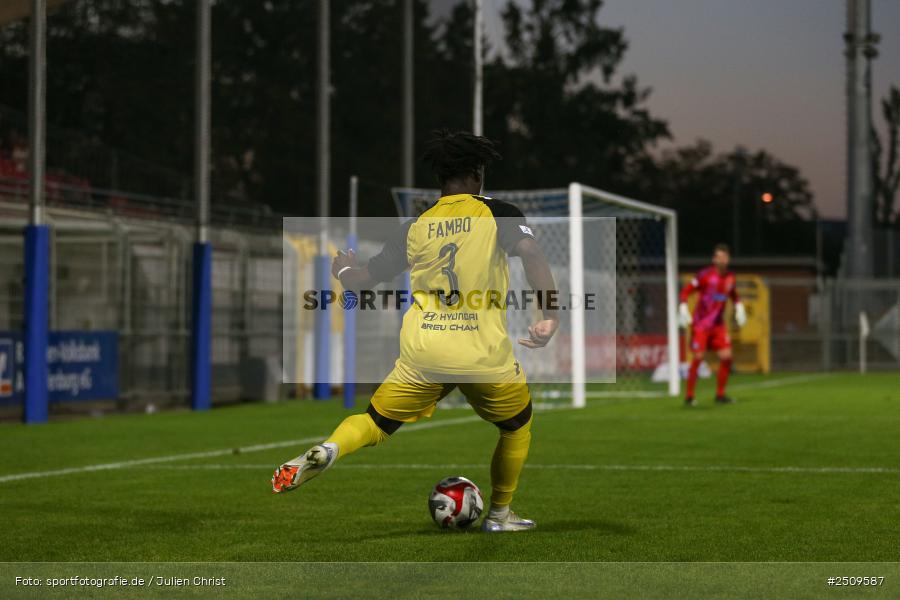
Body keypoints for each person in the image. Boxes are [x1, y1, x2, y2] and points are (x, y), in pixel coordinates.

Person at [271, 130, 559, 533]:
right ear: (478, 174)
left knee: (374, 422)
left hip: (424, 354)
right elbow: (530, 252)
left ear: (440, 178)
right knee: (517, 426)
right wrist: (550, 313)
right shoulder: (498, 213)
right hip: (482, 355)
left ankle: (330, 447)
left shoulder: (416, 226)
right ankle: (498, 514)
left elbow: (362, 279)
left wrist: (341, 269)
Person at [678, 243, 747, 406]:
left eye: (725, 257)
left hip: (718, 325)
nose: (722, 260)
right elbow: (686, 290)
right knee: (698, 357)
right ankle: (689, 396)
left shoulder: (730, 277)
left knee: (727, 357)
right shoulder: (705, 275)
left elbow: (734, 294)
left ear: (728, 259)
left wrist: (739, 306)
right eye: (719, 257)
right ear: (714, 259)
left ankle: (720, 395)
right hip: (701, 325)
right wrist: (682, 304)